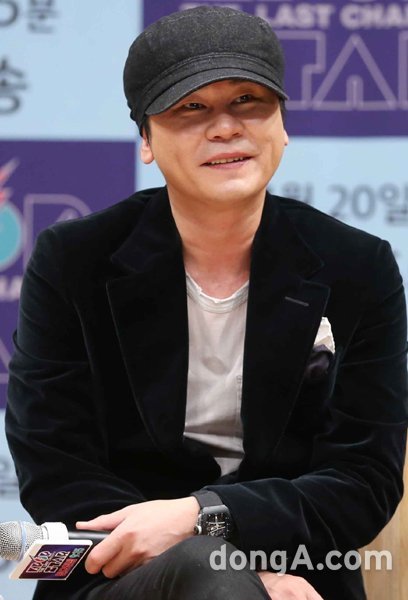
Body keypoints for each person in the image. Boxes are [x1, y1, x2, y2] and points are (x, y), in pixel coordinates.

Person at [5, 6, 407, 600]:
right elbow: (54, 464)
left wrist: (209, 521)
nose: (224, 128)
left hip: (297, 570)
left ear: (283, 124)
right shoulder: (74, 259)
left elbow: (364, 479)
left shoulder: (358, 266)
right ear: (146, 139)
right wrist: (221, 567)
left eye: (248, 100)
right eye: (191, 107)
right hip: (117, 569)